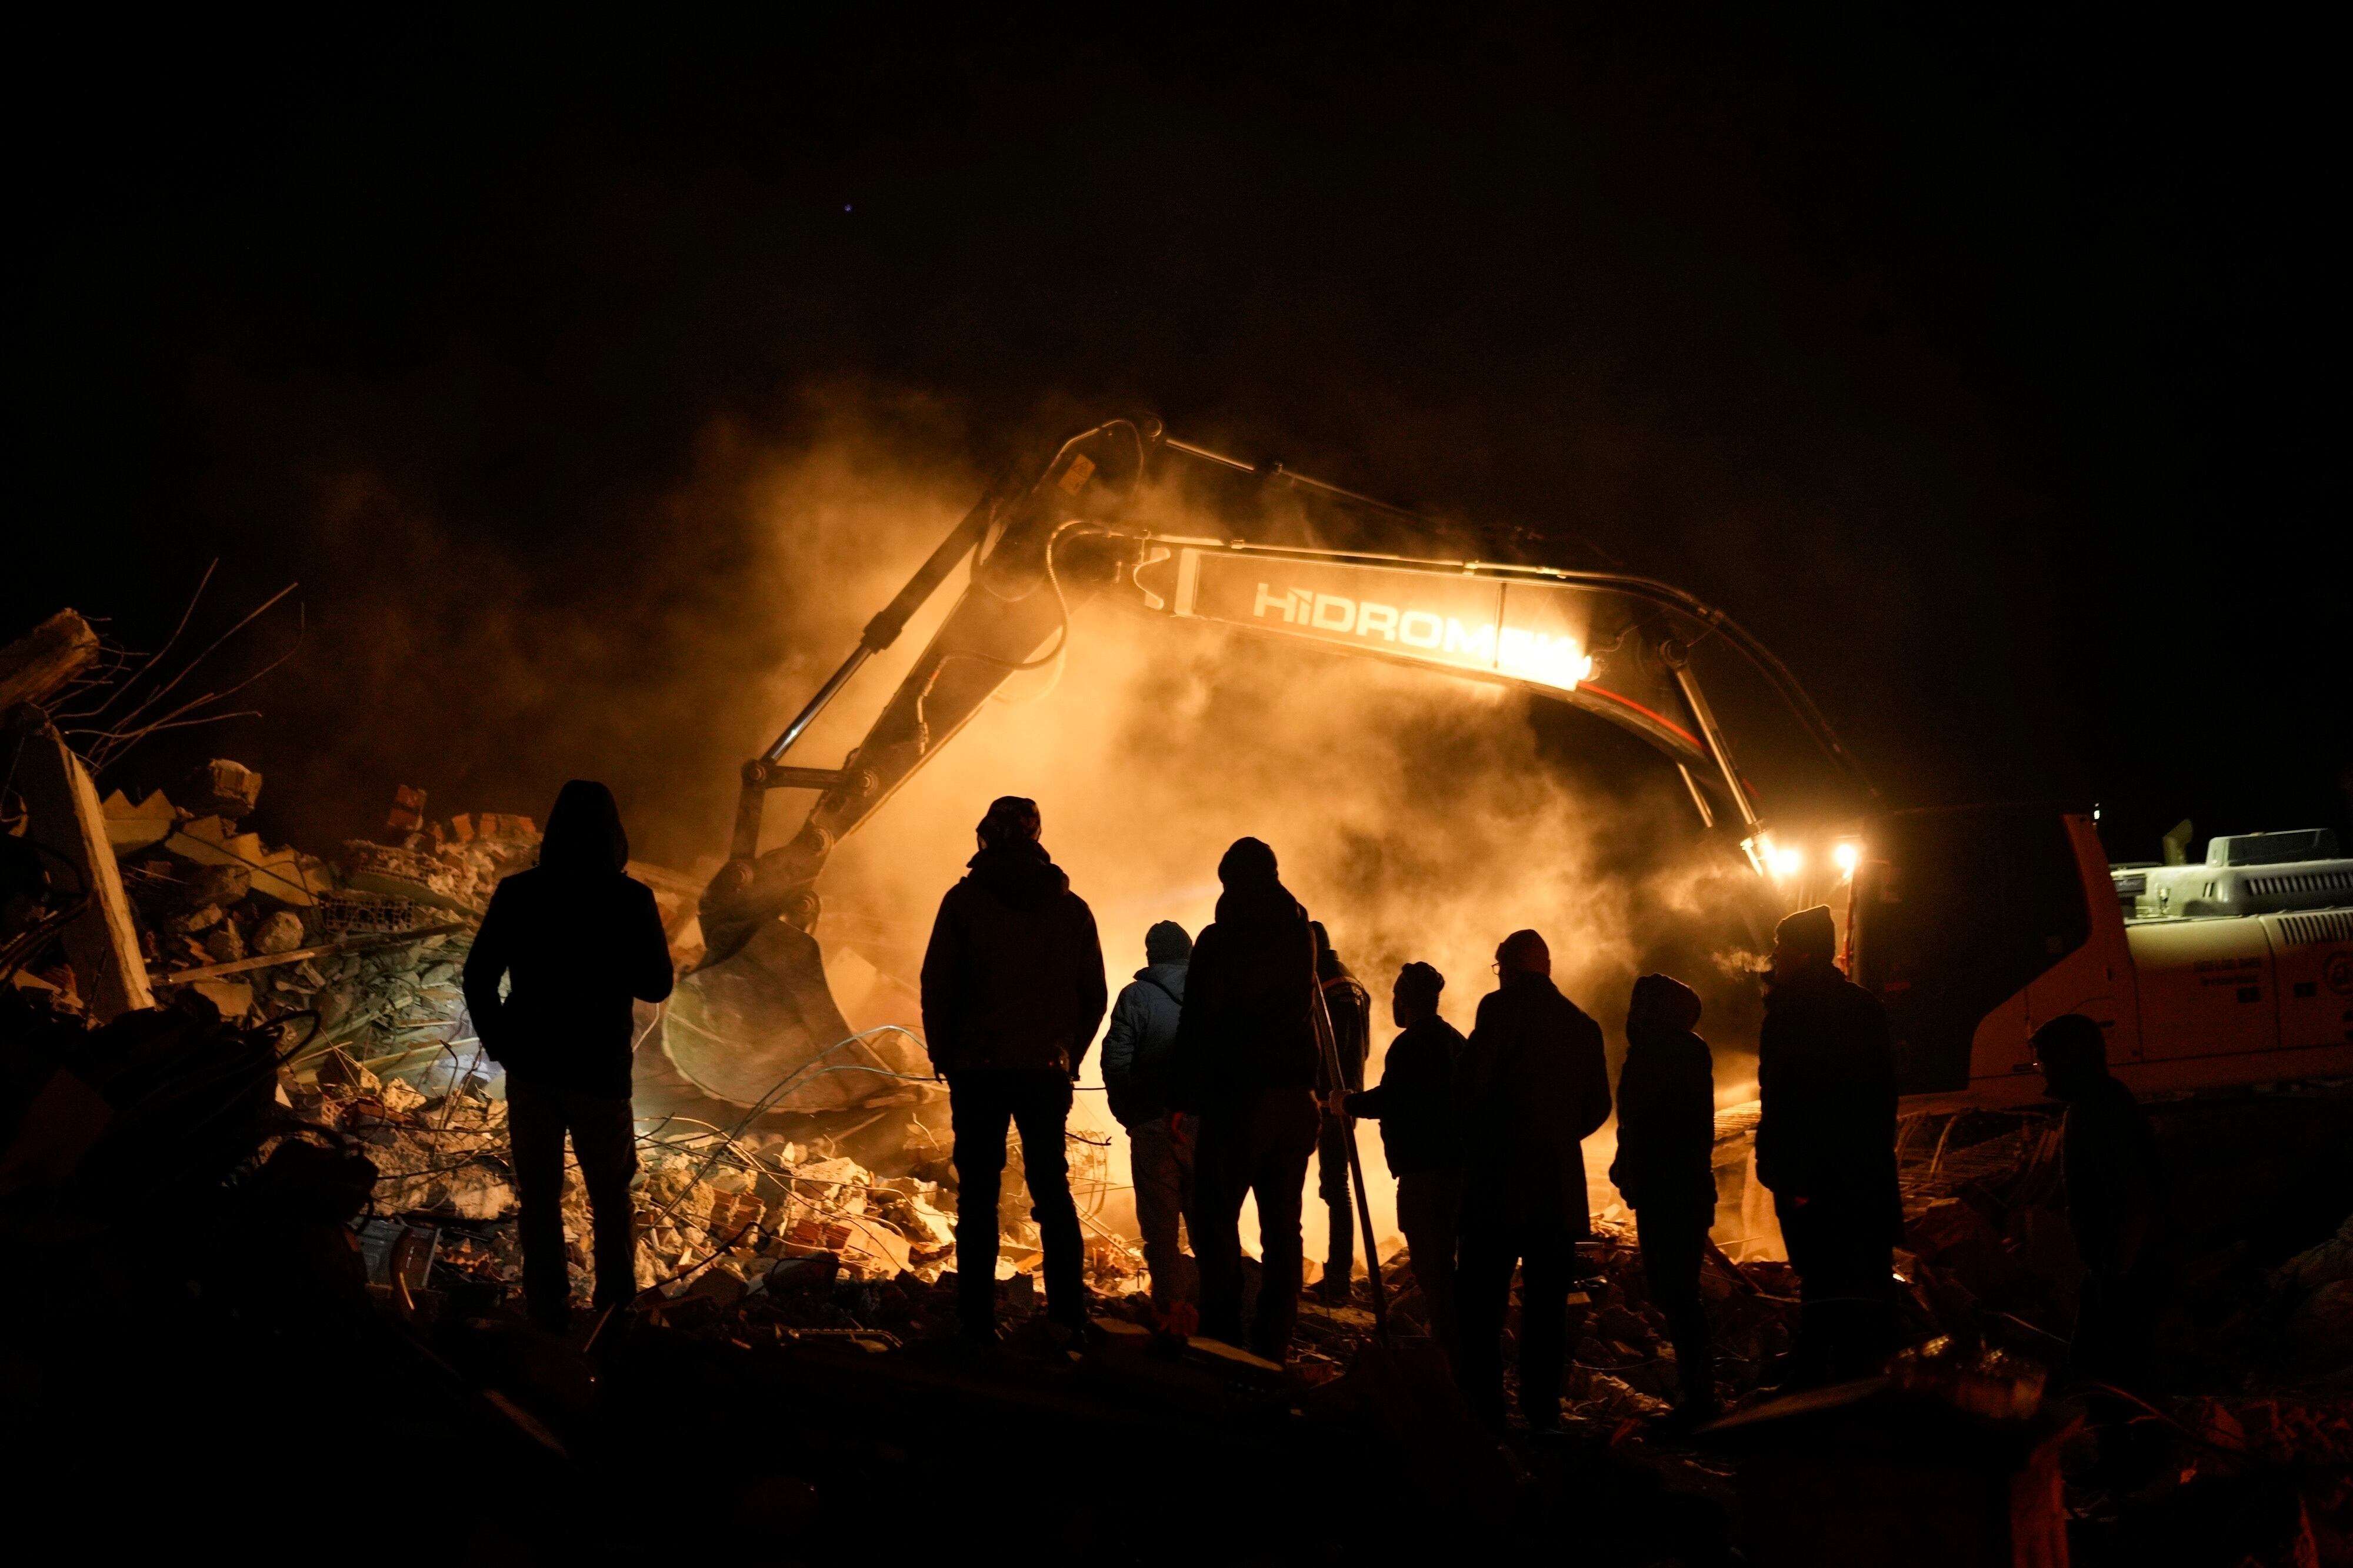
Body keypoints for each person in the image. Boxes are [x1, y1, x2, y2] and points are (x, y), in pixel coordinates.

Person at [462, 780, 674, 1333]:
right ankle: (614, 1312)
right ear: (614, 835)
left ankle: (547, 1310)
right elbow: (656, 985)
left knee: (539, 1196)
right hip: (599, 1074)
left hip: (532, 1069)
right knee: (610, 1197)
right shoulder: (631, 900)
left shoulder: (520, 893)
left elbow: (479, 976)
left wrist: (502, 1043)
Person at [919, 795, 1107, 1344]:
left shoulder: (964, 902)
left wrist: (945, 1054)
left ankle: (976, 1321)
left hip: (977, 1069)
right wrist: (1067, 1053)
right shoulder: (1071, 909)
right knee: (1052, 1188)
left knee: (977, 1193)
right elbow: (1092, 994)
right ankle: (1068, 1316)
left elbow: (939, 983)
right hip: (1045, 1071)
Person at [1452, 929, 1612, 1429]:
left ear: (1512, 968)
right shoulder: (1583, 1025)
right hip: (1557, 1189)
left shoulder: (1499, 1011)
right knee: (1546, 1308)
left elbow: (1470, 1087)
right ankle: (1541, 1412)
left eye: (1500, 969)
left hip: (1497, 1183)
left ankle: (1485, 1409)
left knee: (1480, 1301)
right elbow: (1599, 1107)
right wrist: (1559, 1137)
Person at [1171, 836, 1322, 1360]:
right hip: (1295, 1102)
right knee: (1283, 1227)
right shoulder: (1302, 934)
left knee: (1216, 1216)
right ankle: (1274, 1341)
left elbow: (1198, 1022)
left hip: (1240, 1098)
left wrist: (1182, 1097)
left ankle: (1222, 1336)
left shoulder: (1221, 939)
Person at [1754, 904, 1900, 1387]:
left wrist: (1783, 1171)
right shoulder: (1862, 1006)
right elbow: (1883, 1094)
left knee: (1820, 1271)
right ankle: (1863, 1369)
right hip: (1863, 1170)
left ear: (1805, 954)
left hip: (1811, 1174)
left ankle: (1818, 1374)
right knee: (1861, 1269)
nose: (1776, 959)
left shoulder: (1792, 1014)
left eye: (1782, 950)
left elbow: (1784, 1101)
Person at [1331, 960, 1465, 1361]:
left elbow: (1393, 1100)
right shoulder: (1455, 1040)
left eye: (1395, 996)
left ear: (1404, 1001)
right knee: (1445, 1264)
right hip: (1458, 1170)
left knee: (1432, 1267)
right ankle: (1456, 1347)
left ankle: (1449, 1353)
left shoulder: (1411, 1046)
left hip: (1424, 1173)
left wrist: (1345, 1103)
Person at [2032, 1013, 2170, 1388]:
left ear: (2069, 1058)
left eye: (2044, 1060)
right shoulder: (2099, 1101)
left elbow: (2137, 1192)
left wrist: (2118, 1273)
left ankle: (2130, 1438)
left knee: (2114, 1371)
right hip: (2114, 1267)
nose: (2041, 1071)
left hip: (2127, 1269)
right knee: (2100, 1364)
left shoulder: (2100, 1108)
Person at [1609, 973, 1720, 1423]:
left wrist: (1632, 1169)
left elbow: (1645, 1125)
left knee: (1678, 1294)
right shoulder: (1686, 1051)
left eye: (1643, 1002)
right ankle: (1697, 1391)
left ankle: (1699, 1397)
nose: (1634, 1010)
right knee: (1679, 1293)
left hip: (1668, 1192)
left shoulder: (1657, 1054)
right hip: (1680, 1191)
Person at [1101, 919, 1197, 1322]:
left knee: (1161, 1230)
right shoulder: (1211, 994)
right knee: (1210, 1224)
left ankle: (1171, 1311)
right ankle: (1215, 1315)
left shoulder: (1136, 997)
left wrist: (1135, 1117)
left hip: (1154, 1128)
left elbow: (1115, 1064)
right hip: (1203, 1126)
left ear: (1151, 956)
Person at [1309, 922, 1372, 1305]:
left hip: (1322, 1100)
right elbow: (1362, 1048)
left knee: (1322, 1188)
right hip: (1347, 1100)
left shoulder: (1321, 986)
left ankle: (1332, 1279)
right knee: (1338, 1187)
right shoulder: (1355, 984)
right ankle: (1338, 1276)